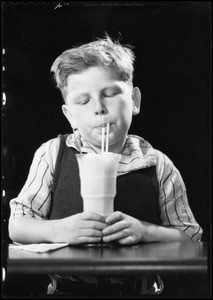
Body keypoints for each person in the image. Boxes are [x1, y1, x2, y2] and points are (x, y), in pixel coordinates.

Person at [8, 34, 203, 297]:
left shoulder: (158, 164)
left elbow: (190, 237)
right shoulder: (52, 154)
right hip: (68, 291)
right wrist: (60, 229)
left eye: (109, 94)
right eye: (84, 100)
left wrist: (145, 231)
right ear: (69, 115)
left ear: (134, 100)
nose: (98, 108)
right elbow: (17, 225)